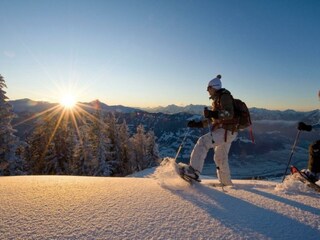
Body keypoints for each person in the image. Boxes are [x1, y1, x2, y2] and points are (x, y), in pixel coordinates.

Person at [183, 74, 238, 186]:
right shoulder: (218, 99)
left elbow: (229, 114)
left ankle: (193, 171)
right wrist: (198, 124)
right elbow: (214, 119)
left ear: (214, 87)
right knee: (220, 158)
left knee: (203, 142)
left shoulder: (224, 97)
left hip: (226, 131)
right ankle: (227, 184)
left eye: (208, 88)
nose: (207, 91)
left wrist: (213, 113)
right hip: (228, 131)